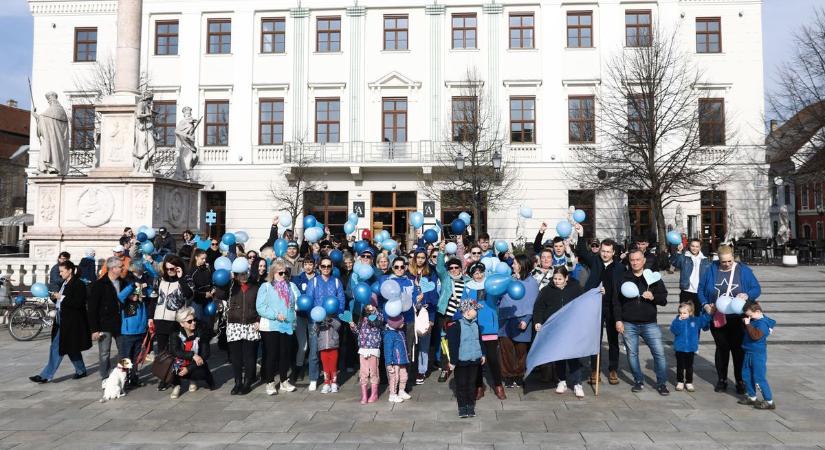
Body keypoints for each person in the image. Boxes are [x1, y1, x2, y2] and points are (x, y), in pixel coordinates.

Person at [698, 244, 761, 394]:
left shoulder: (743, 270)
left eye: (729, 261)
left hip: (738, 318)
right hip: (718, 317)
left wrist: (747, 295)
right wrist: (705, 305)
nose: (726, 264)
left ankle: (740, 381)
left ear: (733, 257)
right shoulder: (711, 270)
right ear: (718, 259)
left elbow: (756, 288)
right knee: (722, 348)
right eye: (723, 262)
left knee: (738, 350)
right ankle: (722, 379)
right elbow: (700, 289)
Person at [573, 225, 625, 386]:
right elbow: (581, 252)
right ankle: (595, 370)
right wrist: (581, 234)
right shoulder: (594, 260)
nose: (605, 254)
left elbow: (622, 288)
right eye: (603, 251)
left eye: (608, 252)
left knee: (613, 340)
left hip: (611, 307)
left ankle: (613, 369)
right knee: (595, 339)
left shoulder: (619, 267)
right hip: (594, 306)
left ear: (613, 253)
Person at [613, 250, 669, 395]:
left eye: (638, 259)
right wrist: (618, 320)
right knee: (632, 354)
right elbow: (616, 302)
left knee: (659, 353)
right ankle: (638, 380)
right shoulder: (623, 278)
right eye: (632, 260)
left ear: (643, 260)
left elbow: (663, 300)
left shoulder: (652, 277)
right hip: (629, 323)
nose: (635, 262)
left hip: (649, 323)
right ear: (629, 261)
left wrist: (653, 297)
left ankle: (662, 383)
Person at [30, 260, 92, 383]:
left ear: (70, 270)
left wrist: (61, 297)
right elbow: (61, 302)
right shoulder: (65, 283)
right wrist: (55, 298)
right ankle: (81, 370)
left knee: (58, 347)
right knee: (69, 347)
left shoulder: (78, 284)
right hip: (61, 318)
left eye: (62, 271)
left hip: (71, 321)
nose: (60, 274)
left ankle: (46, 375)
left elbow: (78, 303)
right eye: (60, 271)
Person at [533, 267, 585, 398]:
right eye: (555, 279)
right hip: (554, 328)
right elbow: (539, 307)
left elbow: (585, 301)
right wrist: (538, 321)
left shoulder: (575, 288)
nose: (557, 281)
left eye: (560, 279)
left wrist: (598, 293)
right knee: (559, 356)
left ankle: (577, 383)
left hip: (571, 327)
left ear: (566, 278)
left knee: (573, 356)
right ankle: (562, 381)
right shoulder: (546, 290)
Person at [459, 261, 505, 400]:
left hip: (490, 325)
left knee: (492, 357)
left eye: (480, 272)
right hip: (474, 326)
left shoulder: (491, 284)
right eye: (475, 273)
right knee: (477, 358)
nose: (478, 275)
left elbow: (500, 298)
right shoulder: (467, 287)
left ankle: (498, 385)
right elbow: (464, 305)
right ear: (471, 274)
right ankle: (478, 386)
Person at [149, 255, 193, 390]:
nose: (169, 271)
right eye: (167, 269)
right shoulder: (159, 280)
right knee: (162, 352)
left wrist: (181, 278)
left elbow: (189, 295)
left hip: (175, 320)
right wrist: (150, 317)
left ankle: (175, 378)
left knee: (174, 350)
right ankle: (164, 378)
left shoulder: (185, 279)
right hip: (160, 319)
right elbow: (153, 299)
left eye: (172, 269)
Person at [256, 260, 299, 395]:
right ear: (273, 273)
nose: (283, 275)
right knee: (272, 355)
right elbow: (261, 307)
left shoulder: (290, 286)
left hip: (287, 325)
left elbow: (296, 304)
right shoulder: (266, 286)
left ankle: (284, 380)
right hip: (271, 326)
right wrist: (275, 315)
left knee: (285, 354)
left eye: (285, 272)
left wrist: (293, 316)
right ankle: (269, 383)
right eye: (280, 273)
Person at [304, 256, 345, 391]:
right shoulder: (313, 282)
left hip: (332, 321)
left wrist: (335, 316)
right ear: (319, 267)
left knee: (332, 350)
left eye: (328, 266)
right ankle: (314, 378)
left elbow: (341, 301)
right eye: (323, 266)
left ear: (332, 267)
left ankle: (332, 379)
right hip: (316, 321)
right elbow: (309, 300)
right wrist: (316, 316)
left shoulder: (337, 282)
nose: (326, 268)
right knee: (315, 350)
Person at [498, 254, 538, 388]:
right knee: (506, 350)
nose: (512, 265)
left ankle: (520, 375)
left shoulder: (532, 283)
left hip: (523, 320)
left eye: (515, 263)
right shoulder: (509, 280)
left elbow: (532, 304)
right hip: (506, 319)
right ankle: (508, 375)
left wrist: (526, 320)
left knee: (521, 351)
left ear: (522, 265)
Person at [88, 256, 126, 383]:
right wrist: (94, 329)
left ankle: (124, 375)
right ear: (113, 268)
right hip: (104, 324)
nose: (123, 268)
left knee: (124, 351)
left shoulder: (123, 282)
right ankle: (105, 376)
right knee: (104, 352)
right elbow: (92, 309)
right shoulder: (99, 285)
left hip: (122, 323)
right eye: (120, 266)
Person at [223, 270, 261, 395]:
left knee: (249, 355)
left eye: (245, 273)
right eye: (240, 274)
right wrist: (225, 280)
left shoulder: (256, 287)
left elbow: (261, 305)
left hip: (250, 325)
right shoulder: (230, 286)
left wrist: (258, 320)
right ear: (236, 274)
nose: (243, 276)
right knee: (236, 357)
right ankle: (237, 382)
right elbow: (219, 295)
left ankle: (247, 382)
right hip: (234, 324)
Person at [447, 300, 486, 418]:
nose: (477, 312)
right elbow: (453, 345)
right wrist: (453, 362)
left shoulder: (476, 325)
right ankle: (462, 407)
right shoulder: (456, 326)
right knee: (462, 384)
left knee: (471, 384)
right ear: (468, 311)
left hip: (474, 360)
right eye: (475, 310)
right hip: (461, 361)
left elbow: (480, 340)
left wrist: (483, 354)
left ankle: (470, 405)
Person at [116, 261, 151, 388]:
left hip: (141, 329)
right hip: (128, 331)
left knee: (137, 357)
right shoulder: (127, 286)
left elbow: (152, 293)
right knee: (126, 357)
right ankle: (123, 379)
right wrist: (132, 288)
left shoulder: (143, 295)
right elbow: (120, 296)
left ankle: (134, 377)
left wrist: (146, 287)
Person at [169, 307, 215, 399]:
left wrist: (188, 369)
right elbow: (175, 351)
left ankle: (193, 379)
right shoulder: (175, 333)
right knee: (173, 366)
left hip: (196, 363)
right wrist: (192, 355)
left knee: (201, 372)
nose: (193, 322)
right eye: (189, 321)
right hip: (181, 361)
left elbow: (205, 354)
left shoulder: (201, 331)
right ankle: (176, 385)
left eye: (194, 320)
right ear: (182, 323)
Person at [737, 302, 776, 410]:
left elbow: (755, 336)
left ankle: (769, 401)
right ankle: (752, 397)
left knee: (759, 377)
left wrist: (748, 324)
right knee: (746, 375)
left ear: (758, 312)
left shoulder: (762, 323)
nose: (749, 317)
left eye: (750, 315)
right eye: (747, 315)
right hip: (748, 352)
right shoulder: (755, 320)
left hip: (757, 354)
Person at [409, 248, 438, 385]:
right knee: (410, 342)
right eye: (418, 257)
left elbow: (434, 296)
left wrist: (432, 319)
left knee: (424, 343)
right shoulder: (409, 274)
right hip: (411, 313)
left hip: (426, 313)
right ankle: (409, 368)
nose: (420, 259)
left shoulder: (431, 274)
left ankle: (422, 370)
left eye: (422, 257)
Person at [669, 302, 711, 392]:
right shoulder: (677, 321)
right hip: (680, 348)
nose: (682, 315)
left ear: (690, 313)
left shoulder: (695, 321)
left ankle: (689, 382)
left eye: (684, 313)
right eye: (680, 313)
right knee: (680, 366)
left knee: (689, 366)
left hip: (691, 348)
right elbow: (674, 330)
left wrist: (709, 312)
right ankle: (680, 381)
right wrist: (679, 321)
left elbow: (704, 320)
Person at [350, 304, 383, 404]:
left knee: (374, 372)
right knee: (363, 373)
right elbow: (358, 332)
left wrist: (374, 311)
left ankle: (374, 394)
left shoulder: (378, 316)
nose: (369, 307)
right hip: (363, 349)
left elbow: (379, 322)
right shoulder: (362, 318)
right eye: (367, 305)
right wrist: (353, 326)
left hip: (373, 348)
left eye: (371, 305)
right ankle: (364, 395)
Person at [292, 257, 318, 384]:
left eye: (310, 264)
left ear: (314, 265)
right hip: (300, 316)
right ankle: (298, 368)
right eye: (306, 264)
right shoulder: (297, 279)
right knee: (303, 344)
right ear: (303, 265)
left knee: (314, 344)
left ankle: (315, 369)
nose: (308, 266)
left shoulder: (318, 279)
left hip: (314, 316)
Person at [670, 239, 709, 315]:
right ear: (689, 246)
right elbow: (675, 263)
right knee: (684, 315)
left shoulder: (705, 259)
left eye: (697, 246)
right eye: (693, 246)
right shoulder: (684, 257)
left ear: (700, 247)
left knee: (698, 316)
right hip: (686, 290)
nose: (695, 248)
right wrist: (678, 252)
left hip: (700, 292)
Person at [384, 314, 410, 403]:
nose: (404, 323)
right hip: (394, 361)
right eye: (402, 322)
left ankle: (401, 391)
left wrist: (407, 354)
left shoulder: (400, 332)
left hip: (401, 360)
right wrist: (388, 363)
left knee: (404, 376)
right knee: (394, 378)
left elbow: (403, 346)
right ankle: (392, 394)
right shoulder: (389, 335)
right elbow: (387, 350)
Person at [316, 312, 342, 394]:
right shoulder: (318, 320)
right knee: (325, 367)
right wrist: (318, 323)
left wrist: (330, 320)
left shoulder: (335, 320)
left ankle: (334, 383)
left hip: (333, 347)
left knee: (333, 366)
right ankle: (327, 383)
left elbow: (338, 325)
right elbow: (314, 330)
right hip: (323, 348)